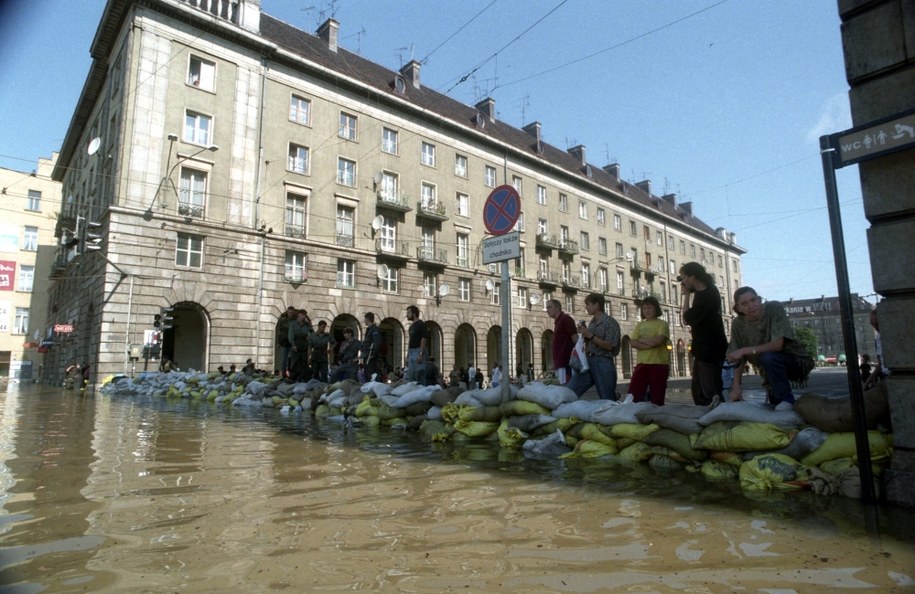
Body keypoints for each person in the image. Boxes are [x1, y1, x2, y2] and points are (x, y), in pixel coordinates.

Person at [726, 286, 815, 410]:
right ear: (738, 308)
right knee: (776, 406)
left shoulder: (774, 308)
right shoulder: (738, 324)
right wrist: (736, 387)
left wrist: (744, 350)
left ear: (759, 299)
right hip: (769, 370)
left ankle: (787, 398)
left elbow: (777, 345)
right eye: (744, 303)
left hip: (795, 360)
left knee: (768, 357)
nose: (751, 305)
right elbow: (737, 358)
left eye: (753, 300)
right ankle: (781, 400)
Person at [679, 262, 728, 406]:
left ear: (692, 276)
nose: (683, 281)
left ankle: (717, 418)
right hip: (705, 348)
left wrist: (686, 295)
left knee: (708, 392)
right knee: (700, 390)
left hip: (709, 349)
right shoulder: (706, 292)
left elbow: (687, 318)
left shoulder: (708, 294)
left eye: (684, 277)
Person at [568, 292, 621, 401]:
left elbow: (610, 346)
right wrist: (584, 336)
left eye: (588, 304)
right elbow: (591, 342)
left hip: (603, 362)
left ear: (597, 305)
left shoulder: (610, 322)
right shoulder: (592, 322)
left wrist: (590, 335)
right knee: (570, 390)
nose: (586, 307)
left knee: (607, 398)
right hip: (588, 361)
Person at [627, 296, 670, 405]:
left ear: (656, 309)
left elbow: (658, 341)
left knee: (657, 396)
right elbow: (633, 343)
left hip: (659, 364)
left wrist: (641, 340)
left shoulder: (662, 324)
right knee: (634, 395)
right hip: (642, 363)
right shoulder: (639, 325)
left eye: (650, 307)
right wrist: (650, 344)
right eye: (644, 308)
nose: (647, 310)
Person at [546, 298, 577, 384]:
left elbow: (575, 338)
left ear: (557, 308)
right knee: (564, 387)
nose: (547, 310)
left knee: (569, 388)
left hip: (567, 362)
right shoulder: (558, 322)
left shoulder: (565, 319)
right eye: (547, 308)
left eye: (549, 307)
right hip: (561, 362)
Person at [287, 309, 313, 382]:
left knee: (304, 363)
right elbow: (290, 334)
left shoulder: (307, 325)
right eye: (302, 315)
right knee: (294, 363)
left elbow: (312, 333)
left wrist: (309, 337)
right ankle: (292, 378)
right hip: (296, 343)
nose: (304, 316)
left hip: (304, 345)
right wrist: (293, 344)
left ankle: (303, 378)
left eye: (305, 315)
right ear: (298, 315)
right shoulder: (293, 323)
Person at [863, 309, 886, 389]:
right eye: (872, 325)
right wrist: (867, 383)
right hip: (884, 376)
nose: (875, 328)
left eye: (877, 324)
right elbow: (880, 364)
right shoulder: (878, 338)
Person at [405, 305, 428, 382]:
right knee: (411, 376)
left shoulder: (421, 324)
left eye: (408, 313)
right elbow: (410, 341)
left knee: (419, 376)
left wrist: (421, 354)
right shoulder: (411, 327)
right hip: (411, 352)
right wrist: (407, 356)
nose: (406, 315)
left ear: (414, 314)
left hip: (418, 351)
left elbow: (423, 339)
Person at [276, 305, 296, 379]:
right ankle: (283, 375)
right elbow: (280, 332)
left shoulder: (294, 321)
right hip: (284, 342)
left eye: (292, 313)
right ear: (287, 312)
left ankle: (291, 374)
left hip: (292, 343)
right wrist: (278, 342)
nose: (290, 314)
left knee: (292, 360)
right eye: (289, 312)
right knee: (283, 360)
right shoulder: (283, 320)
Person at [362, 312, 383, 382]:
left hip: (371, 357)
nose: (364, 321)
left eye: (364, 319)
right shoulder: (369, 330)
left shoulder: (374, 329)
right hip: (367, 356)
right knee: (367, 375)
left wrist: (373, 355)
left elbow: (377, 343)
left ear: (367, 319)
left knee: (372, 376)